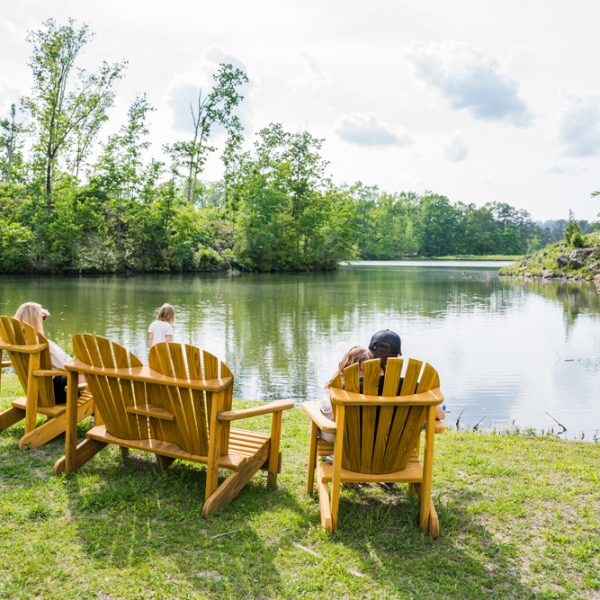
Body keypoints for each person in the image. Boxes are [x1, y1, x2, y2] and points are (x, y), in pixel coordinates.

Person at [368, 329, 445, 420]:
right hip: (399, 433)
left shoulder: (356, 384)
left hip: (361, 433)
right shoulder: (409, 386)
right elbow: (440, 415)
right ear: (398, 357)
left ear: (369, 355)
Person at [14, 302, 73, 403]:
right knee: (94, 377)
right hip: (54, 393)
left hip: (35, 390)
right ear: (36, 319)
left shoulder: (15, 341)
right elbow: (67, 365)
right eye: (43, 317)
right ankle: (95, 416)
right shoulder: (42, 343)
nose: (43, 321)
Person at [320, 345, 373, 443]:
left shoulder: (336, 386)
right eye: (360, 369)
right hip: (358, 439)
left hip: (339, 439)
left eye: (365, 370)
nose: (362, 375)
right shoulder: (375, 391)